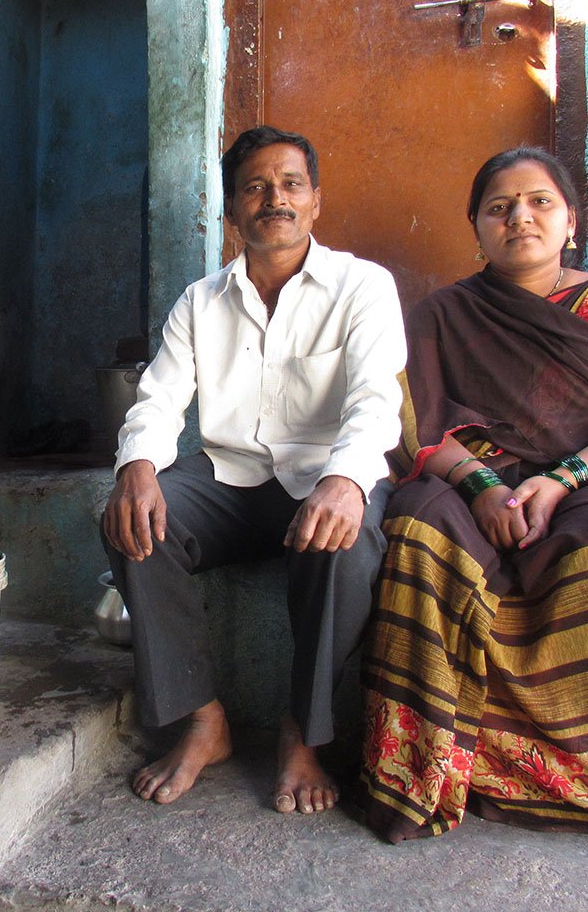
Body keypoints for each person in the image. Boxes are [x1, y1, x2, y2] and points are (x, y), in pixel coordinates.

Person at [360, 146, 588, 840]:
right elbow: (416, 430)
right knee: (419, 522)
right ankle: (425, 766)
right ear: (477, 228)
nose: (520, 216)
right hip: (472, 480)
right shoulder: (442, 314)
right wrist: (482, 485)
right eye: (499, 207)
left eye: (539, 201)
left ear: (570, 220)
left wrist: (561, 479)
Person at [103, 125, 406, 814]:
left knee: (350, 546)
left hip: (328, 476)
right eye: (256, 187)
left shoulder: (363, 286)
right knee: (132, 519)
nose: (276, 198)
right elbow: (157, 396)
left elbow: (374, 400)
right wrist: (139, 464)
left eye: (291, 184)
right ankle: (202, 717)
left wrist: (348, 479)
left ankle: (303, 732)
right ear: (233, 209)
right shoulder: (200, 301)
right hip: (231, 479)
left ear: (316, 202)